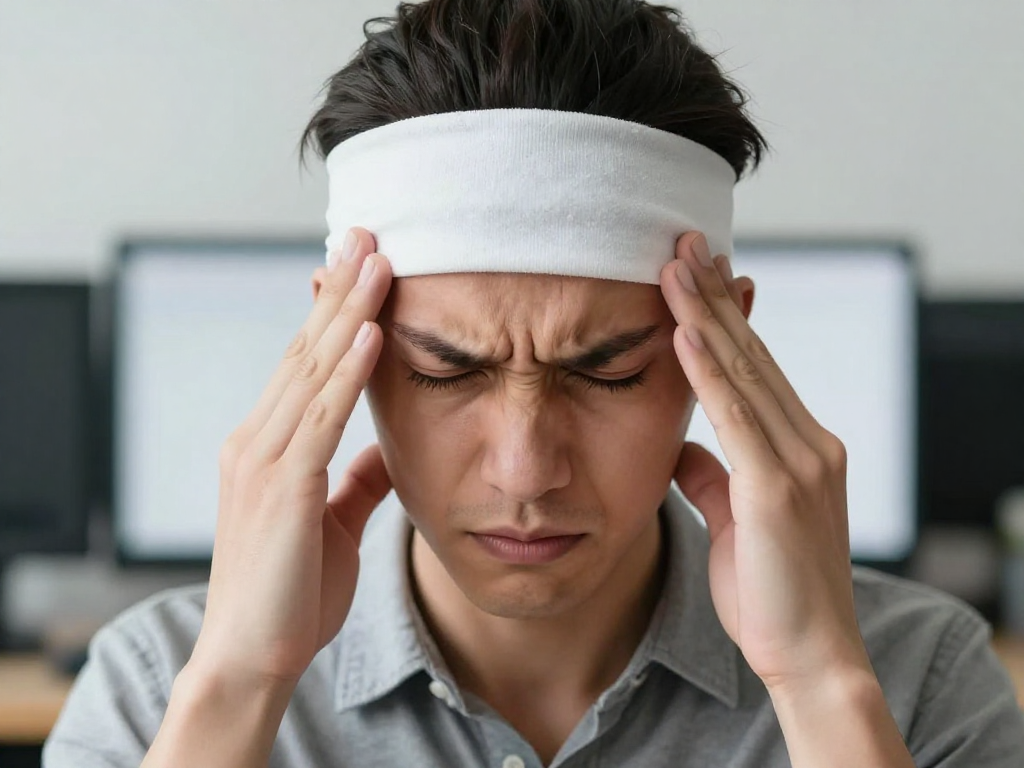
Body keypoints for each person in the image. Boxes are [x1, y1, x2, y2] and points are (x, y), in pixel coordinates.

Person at [44, 1, 1024, 767]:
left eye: (607, 371)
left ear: (723, 357)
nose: (525, 471)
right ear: (336, 348)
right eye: (444, 369)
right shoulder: (158, 686)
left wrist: (815, 683)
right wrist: (241, 684)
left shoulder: (913, 680)